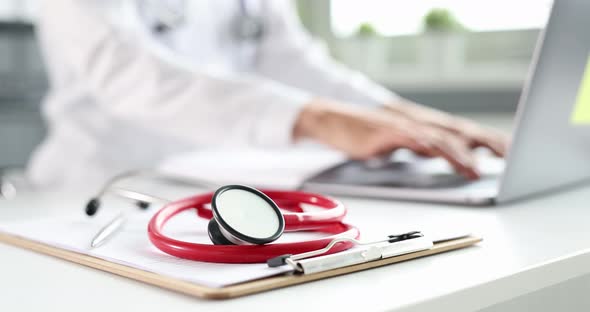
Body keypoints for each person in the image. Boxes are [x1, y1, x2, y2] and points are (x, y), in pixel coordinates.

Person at [29, 0, 508, 189]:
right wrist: (318, 120)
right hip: (99, 188)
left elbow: (295, 62)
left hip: (222, 183)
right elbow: (131, 76)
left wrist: (411, 119)